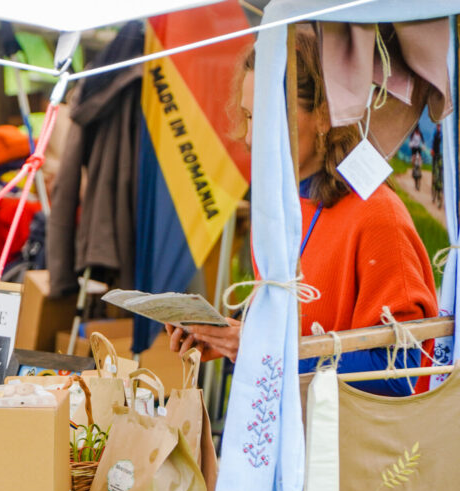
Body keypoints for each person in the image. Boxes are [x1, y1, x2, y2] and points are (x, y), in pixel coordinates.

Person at [168, 28, 437, 397]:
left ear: (325, 116)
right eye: (248, 117)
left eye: (264, 116)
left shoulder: (378, 216)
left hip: (348, 451)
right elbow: (294, 337)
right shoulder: (282, 211)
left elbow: (401, 372)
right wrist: (230, 340)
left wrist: (262, 349)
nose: (249, 137)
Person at [432, 123, 443, 208]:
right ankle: (434, 178)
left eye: (440, 126)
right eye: (438, 126)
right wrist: (433, 151)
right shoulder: (436, 134)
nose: (439, 127)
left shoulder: (441, 135)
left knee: (441, 170)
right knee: (435, 170)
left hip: (440, 154)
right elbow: (434, 143)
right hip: (435, 154)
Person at [410, 126, 424, 191]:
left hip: (418, 148)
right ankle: (413, 168)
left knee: (420, 158)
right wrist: (411, 144)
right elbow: (411, 140)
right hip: (414, 148)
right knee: (413, 157)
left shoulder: (420, 133)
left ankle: (420, 167)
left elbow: (423, 140)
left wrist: (423, 145)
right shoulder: (413, 134)